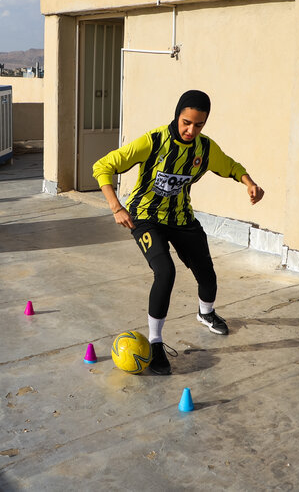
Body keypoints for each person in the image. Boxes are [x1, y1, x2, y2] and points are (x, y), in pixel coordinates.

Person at [92, 90, 264, 375]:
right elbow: (103, 166)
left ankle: (205, 313)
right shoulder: (154, 141)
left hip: (182, 217)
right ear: (177, 115)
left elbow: (230, 166)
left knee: (207, 274)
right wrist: (116, 207)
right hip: (145, 217)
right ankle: (156, 343)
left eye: (199, 125)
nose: (190, 130)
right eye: (186, 122)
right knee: (165, 271)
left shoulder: (204, 149)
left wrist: (249, 183)